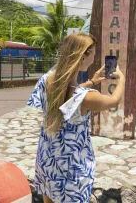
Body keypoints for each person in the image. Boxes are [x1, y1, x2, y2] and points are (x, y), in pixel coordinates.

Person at [27, 32, 125, 203]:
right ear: (83, 56)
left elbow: (66, 92)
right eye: (93, 53)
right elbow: (113, 100)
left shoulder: (46, 81)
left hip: (48, 159)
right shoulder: (86, 97)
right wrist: (122, 79)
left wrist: (92, 81)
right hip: (72, 168)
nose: (94, 58)